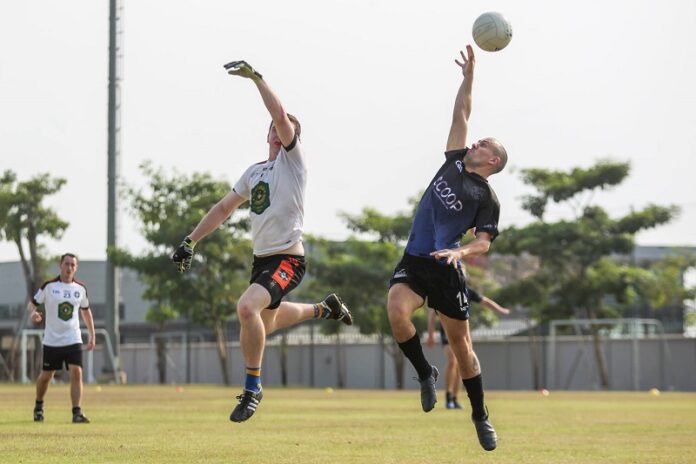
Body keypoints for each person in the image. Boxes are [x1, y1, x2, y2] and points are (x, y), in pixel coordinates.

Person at [171, 60, 353, 423]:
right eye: (272, 128)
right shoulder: (255, 172)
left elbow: (279, 112)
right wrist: (190, 241)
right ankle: (324, 308)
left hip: (288, 259)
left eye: (283, 128)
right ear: (265, 134)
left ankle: (252, 389)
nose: (277, 130)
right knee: (264, 325)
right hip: (262, 262)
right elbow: (223, 209)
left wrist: (257, 79)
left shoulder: (293, 163)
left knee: (245, 308)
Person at [386, 45, 508, 452]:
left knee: (464, 349)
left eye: (483, 144)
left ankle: (480, 415)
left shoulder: (486, 198)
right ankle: (425, 374)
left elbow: (484, 241)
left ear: (492, 160)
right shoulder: (454, 159)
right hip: (416, 261)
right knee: (397, 311)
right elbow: (462, 114)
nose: (474, 142)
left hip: (446, 268)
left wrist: (461, 252)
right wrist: (468, 77)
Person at [28, 253, 95, 423]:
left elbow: (86, 311)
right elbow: (33, 304)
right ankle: (38, 406)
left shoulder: (80, 289)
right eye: (67, 264)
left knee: (77, 372)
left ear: (76, 268)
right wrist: (33, 314)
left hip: (73, 338)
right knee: (46, 376)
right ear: (60, 266)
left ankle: (77, 412)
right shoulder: (49, 286)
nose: (69, 267)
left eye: (73, 265)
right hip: (52, 340)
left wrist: (92, 335)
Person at [427, 286, 510, 409]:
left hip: (463, 333)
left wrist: (501, 310)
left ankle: (454, 398)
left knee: (463, 363)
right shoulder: (444, 289)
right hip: (447, 332)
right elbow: (432, 313)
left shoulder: (466, 291)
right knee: (452, 361)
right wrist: (431, 334)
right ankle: (448, 396)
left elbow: (485, 301)